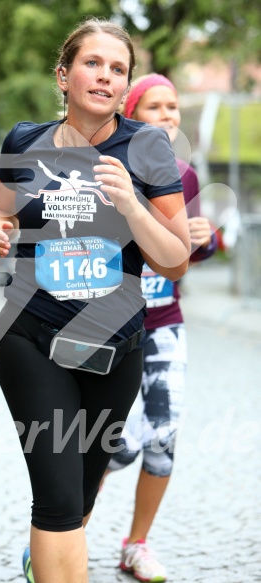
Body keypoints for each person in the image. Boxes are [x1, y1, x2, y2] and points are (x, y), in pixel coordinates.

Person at [0, 19, 190, 583]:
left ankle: (46, 557)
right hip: (30, 337)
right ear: (64, 75)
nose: (104, 75)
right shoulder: (25, 142)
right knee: (54, 500)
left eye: (117, 69)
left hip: (113, 350)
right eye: (92, 63)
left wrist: (130, 203)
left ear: (126, 87)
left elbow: (174, 260)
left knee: (77, 496)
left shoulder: (146, 147)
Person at [103, 73, 218, 582]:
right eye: (155, 107)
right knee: (111, 444)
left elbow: (192, 247)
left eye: (174, 107)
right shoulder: (106, 171)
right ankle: (61, 534)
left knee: (163, 438)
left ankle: (137, 545)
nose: (169, 116)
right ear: (131, 114)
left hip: (165, 323)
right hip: (110, 326)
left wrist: (205, 238)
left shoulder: (185, 176)